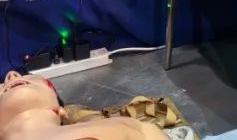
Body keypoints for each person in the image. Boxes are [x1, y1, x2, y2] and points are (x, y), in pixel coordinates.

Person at [0, 71, 167, 140]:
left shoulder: (128, 126)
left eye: (31, 77)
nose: (12, 75)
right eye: (1, 86)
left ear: (61, 110)